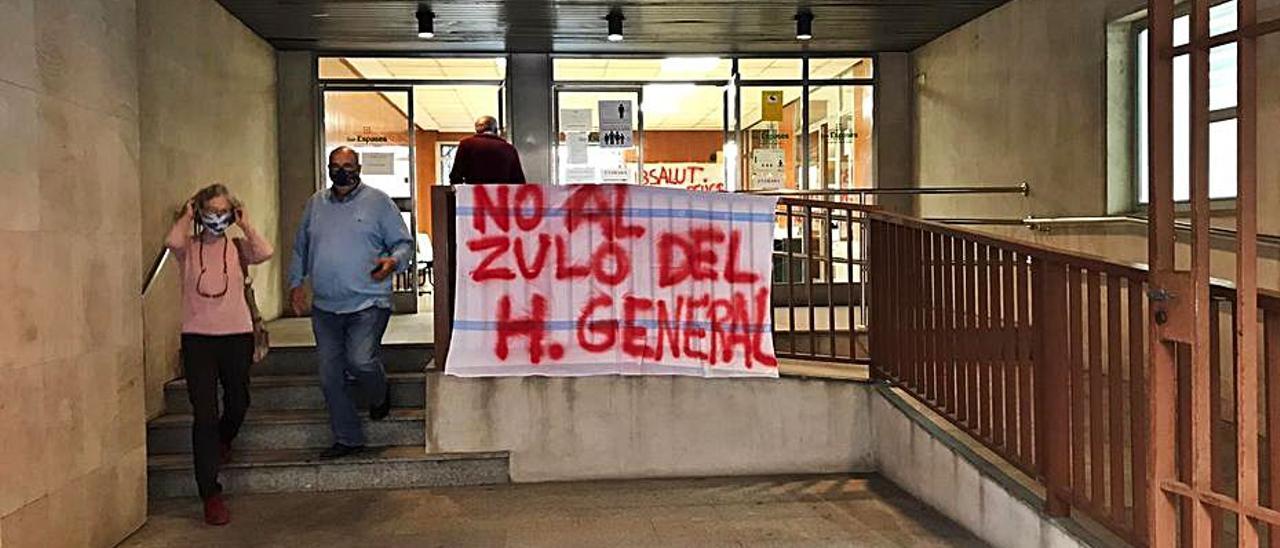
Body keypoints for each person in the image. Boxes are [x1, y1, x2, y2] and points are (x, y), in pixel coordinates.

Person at [289, 146, 414, 460]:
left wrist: (393, 262)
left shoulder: (379, 203)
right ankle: (348, 438)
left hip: (368, 302)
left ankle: (379, 393)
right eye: (335, 165)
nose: (342, 171)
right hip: (326, 307)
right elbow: (300, 247)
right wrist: (296, 284)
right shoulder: (315, 204)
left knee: (360, 361)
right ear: (328, 168)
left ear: (359, 168)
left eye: (348, 165)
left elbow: (403, 243)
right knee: (330, 376)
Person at [165, 183, 273, 526]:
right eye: (210, 211)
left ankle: (225, 439)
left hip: (237, 336)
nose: (217, 217)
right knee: (205, 415)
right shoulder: (189, 248)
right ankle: (210, 494)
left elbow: (265, 251)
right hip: (198, 339)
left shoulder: (238, 248)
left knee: (239, 401)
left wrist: (245, 223)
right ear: (200, 212)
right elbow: (172, 242)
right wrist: (186, 215)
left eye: (223, 210)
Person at [448, 115, 526, 184]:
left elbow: (455, 176)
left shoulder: (466, 144)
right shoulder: (509, 149)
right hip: (500, 197)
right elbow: (519, 181)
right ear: (495, 130)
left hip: (474, 197)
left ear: (477, 130)